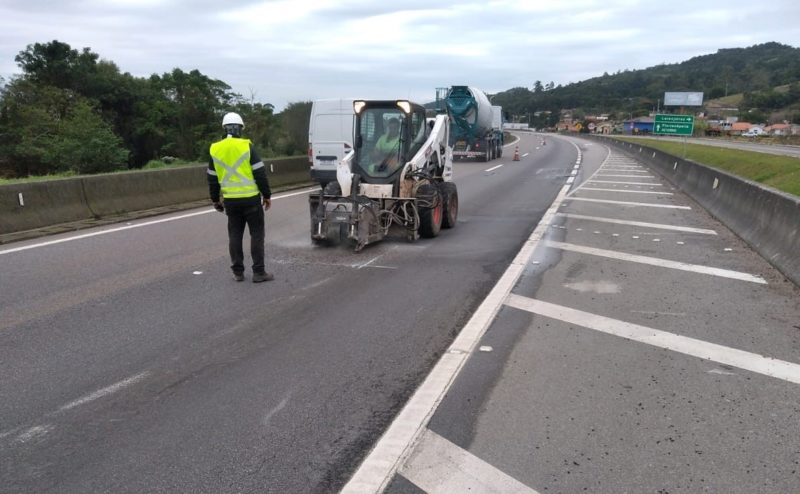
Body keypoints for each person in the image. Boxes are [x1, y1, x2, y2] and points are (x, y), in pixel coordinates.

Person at [208, 112, 274, 283]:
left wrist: (215, 200)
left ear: (224, 128)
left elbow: (212, 179)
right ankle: (259, 273)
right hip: (251, 199)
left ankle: (238, 272)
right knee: (257, 235)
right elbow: (260, 173)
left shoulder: (215, 148)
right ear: (240, 128)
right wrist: (267, 195)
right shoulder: (246, 146)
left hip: (231, 201)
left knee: (235, 235)